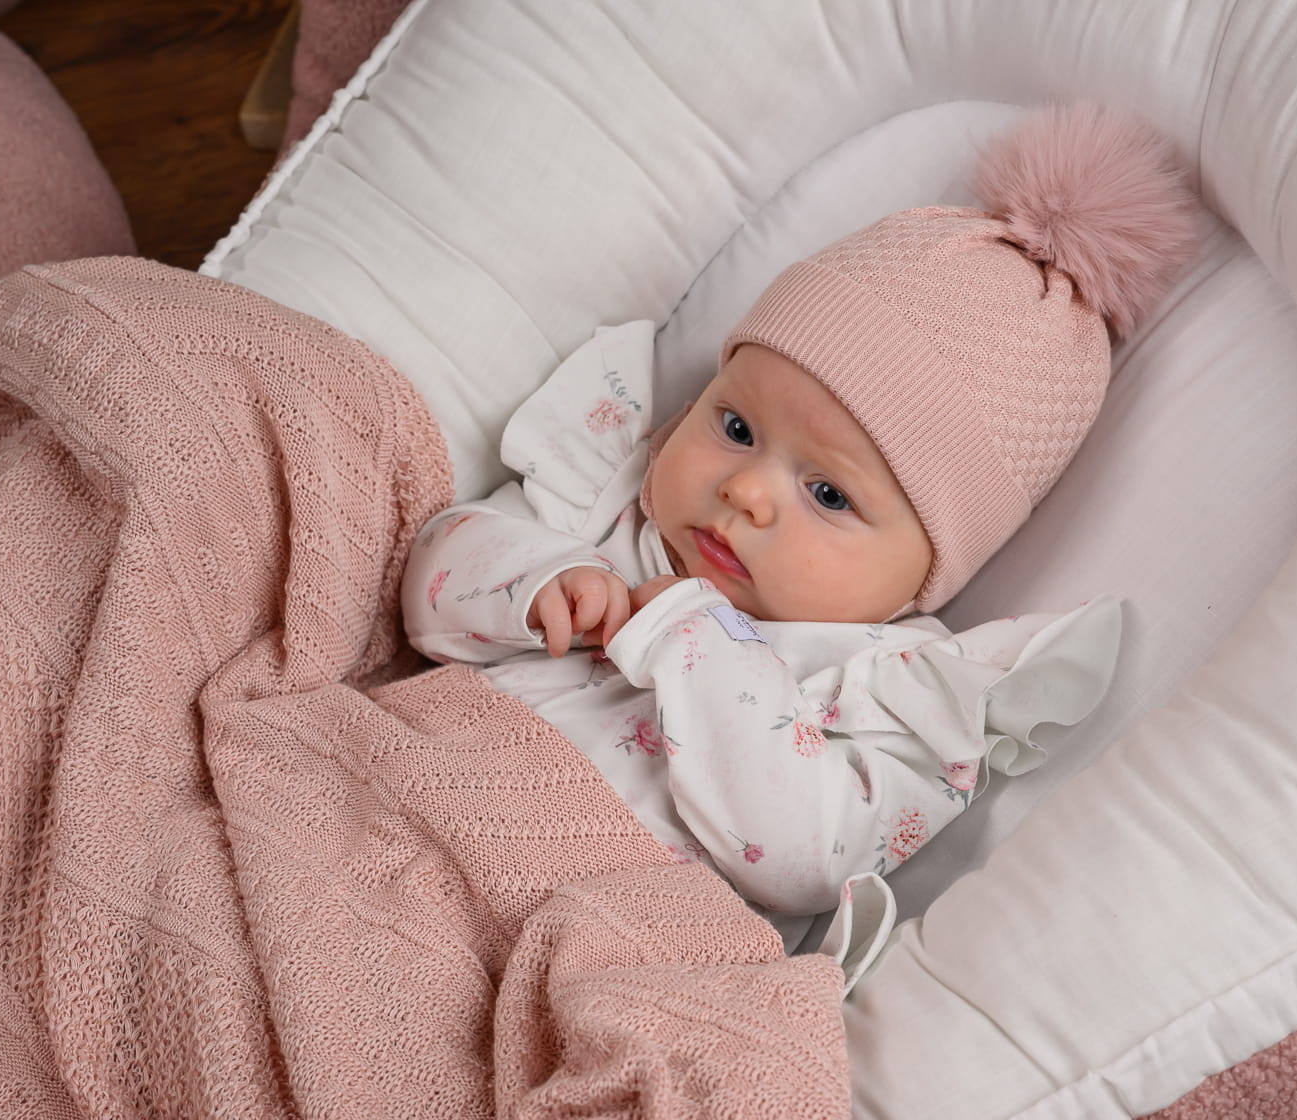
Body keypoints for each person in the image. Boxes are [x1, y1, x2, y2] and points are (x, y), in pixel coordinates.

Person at [400, 103, 1198, 978]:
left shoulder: (890, 691)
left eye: (827, 494)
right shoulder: (609, 511)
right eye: (737, 427)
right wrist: (533, 582)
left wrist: (692, 643)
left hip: (577, 944)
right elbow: (429, 576)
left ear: (928, 570)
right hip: (406, 804)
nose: (744, 491)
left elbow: (805, 860)